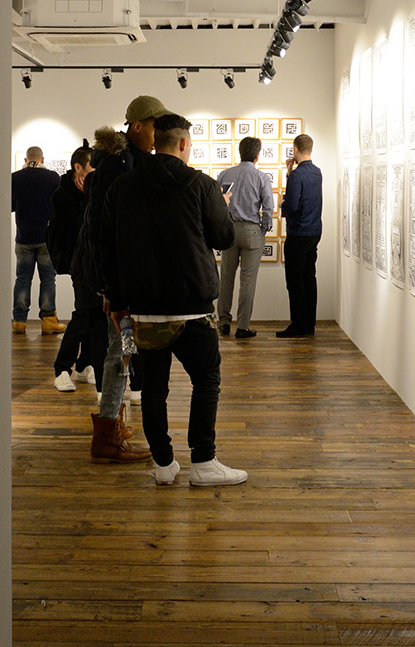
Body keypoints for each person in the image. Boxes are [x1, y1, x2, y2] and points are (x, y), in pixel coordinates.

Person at [100, 112, 246, 486]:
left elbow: (108, 248)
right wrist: (220, 205)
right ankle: (204, 462)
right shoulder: (201, 184)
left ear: (155, 141)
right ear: (183, 143)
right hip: (192, 307)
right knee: (206, 381)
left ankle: (164, 464)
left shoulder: (123, 186)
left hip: (144, 308)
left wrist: (116, 302)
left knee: (154, 388)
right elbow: (224, 237)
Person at [71, 101, 169, 463]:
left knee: (123, 349)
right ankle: (107, 437)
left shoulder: (126, 161)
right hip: (115, 276)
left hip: (117, 272)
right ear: (138, 125)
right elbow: (104, 226)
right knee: (120, 350)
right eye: (155, 125)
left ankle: (113, 422)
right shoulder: (119, 164)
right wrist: (110, 285)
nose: (159, 133)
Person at [47, 145, 106, 392]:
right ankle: (62, 369)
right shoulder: (61, 195)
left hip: (94, 263)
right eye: (92, 166)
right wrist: (90, 197)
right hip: (77, 263)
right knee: (83, 314)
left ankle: (84, 364)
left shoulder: (94, 190)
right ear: (78, 167)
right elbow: (80, 224)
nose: (96, 172)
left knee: (95, 316)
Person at [216, 136, 274, 338]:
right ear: (257, 155)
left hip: (229, 231)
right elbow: (268, 208)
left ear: (240, 152)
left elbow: (218, 204)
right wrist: (262, 229)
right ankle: (242, 326)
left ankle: (224, 322)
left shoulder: (225, 174)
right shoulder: (261, 177)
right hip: (251, 231)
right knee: (247, 282)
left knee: (226, 279)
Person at [10, 146, 65, 335]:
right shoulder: (53, 177)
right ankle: (49, 320)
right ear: (43, 159)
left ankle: (19, 321)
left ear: (26, 160)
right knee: (48, 279)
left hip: (24, 237)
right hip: (46, 238)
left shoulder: (15, 178)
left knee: (23, 278)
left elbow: (10, 206)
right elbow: (59, 206)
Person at [278, 133, 322, 337]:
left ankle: (298, 325)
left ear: (295, 150)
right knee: (309, 278)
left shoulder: (298, 175)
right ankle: (309, 324)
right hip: (314, 231)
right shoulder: (317, 172)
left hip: (298, 233)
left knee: (295, 281)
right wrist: (289, 172)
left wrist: (282, 204)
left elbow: (293, 205)